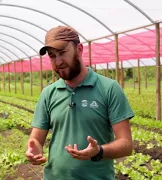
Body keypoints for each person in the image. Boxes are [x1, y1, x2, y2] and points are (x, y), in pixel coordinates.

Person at [25, 26, 134, 180]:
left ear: (79, 49)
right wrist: (33, 149)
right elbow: (36, 138)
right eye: (52, 56)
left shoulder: (108, 89)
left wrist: (98, 151)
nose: (58, 61)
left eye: (62, 53)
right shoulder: (48, 93)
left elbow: (126, 145)